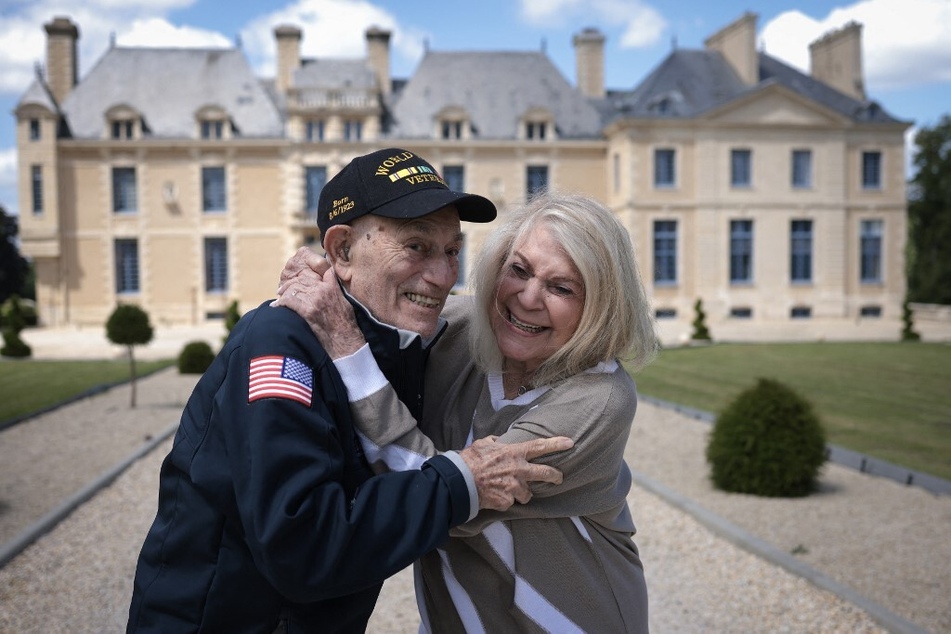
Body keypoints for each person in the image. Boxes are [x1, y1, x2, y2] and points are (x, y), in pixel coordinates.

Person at [126, 148, 573, 633]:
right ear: (341, 252)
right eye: (417, 247)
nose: (445, 277)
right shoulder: (280, 346)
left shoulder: (397, 344)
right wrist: (461, 481)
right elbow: (302, 547)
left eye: (451, 251)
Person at [277, 190, 659, 632]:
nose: (528, 298)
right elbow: (368, 302)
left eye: (561, 288)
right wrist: (324, 271)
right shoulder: (456, 327)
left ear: (600, 307)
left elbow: (438, 499)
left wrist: (346, 344)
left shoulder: (599, 398)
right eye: (519, 270)